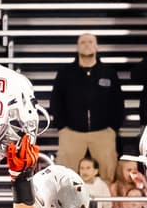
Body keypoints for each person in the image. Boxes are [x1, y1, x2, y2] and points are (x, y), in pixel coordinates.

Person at [51, 33, 123, 179]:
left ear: (96, 46)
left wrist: (113, 128)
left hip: (103, 133)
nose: (87, 44)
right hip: (71, 133)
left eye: (90, 41)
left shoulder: (108, 72)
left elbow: (118, 101)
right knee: (66, 177)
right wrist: (62, 127)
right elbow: (56, 100)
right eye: (83, 42)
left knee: (108, 176)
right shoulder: (65, 73)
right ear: (77, 47)